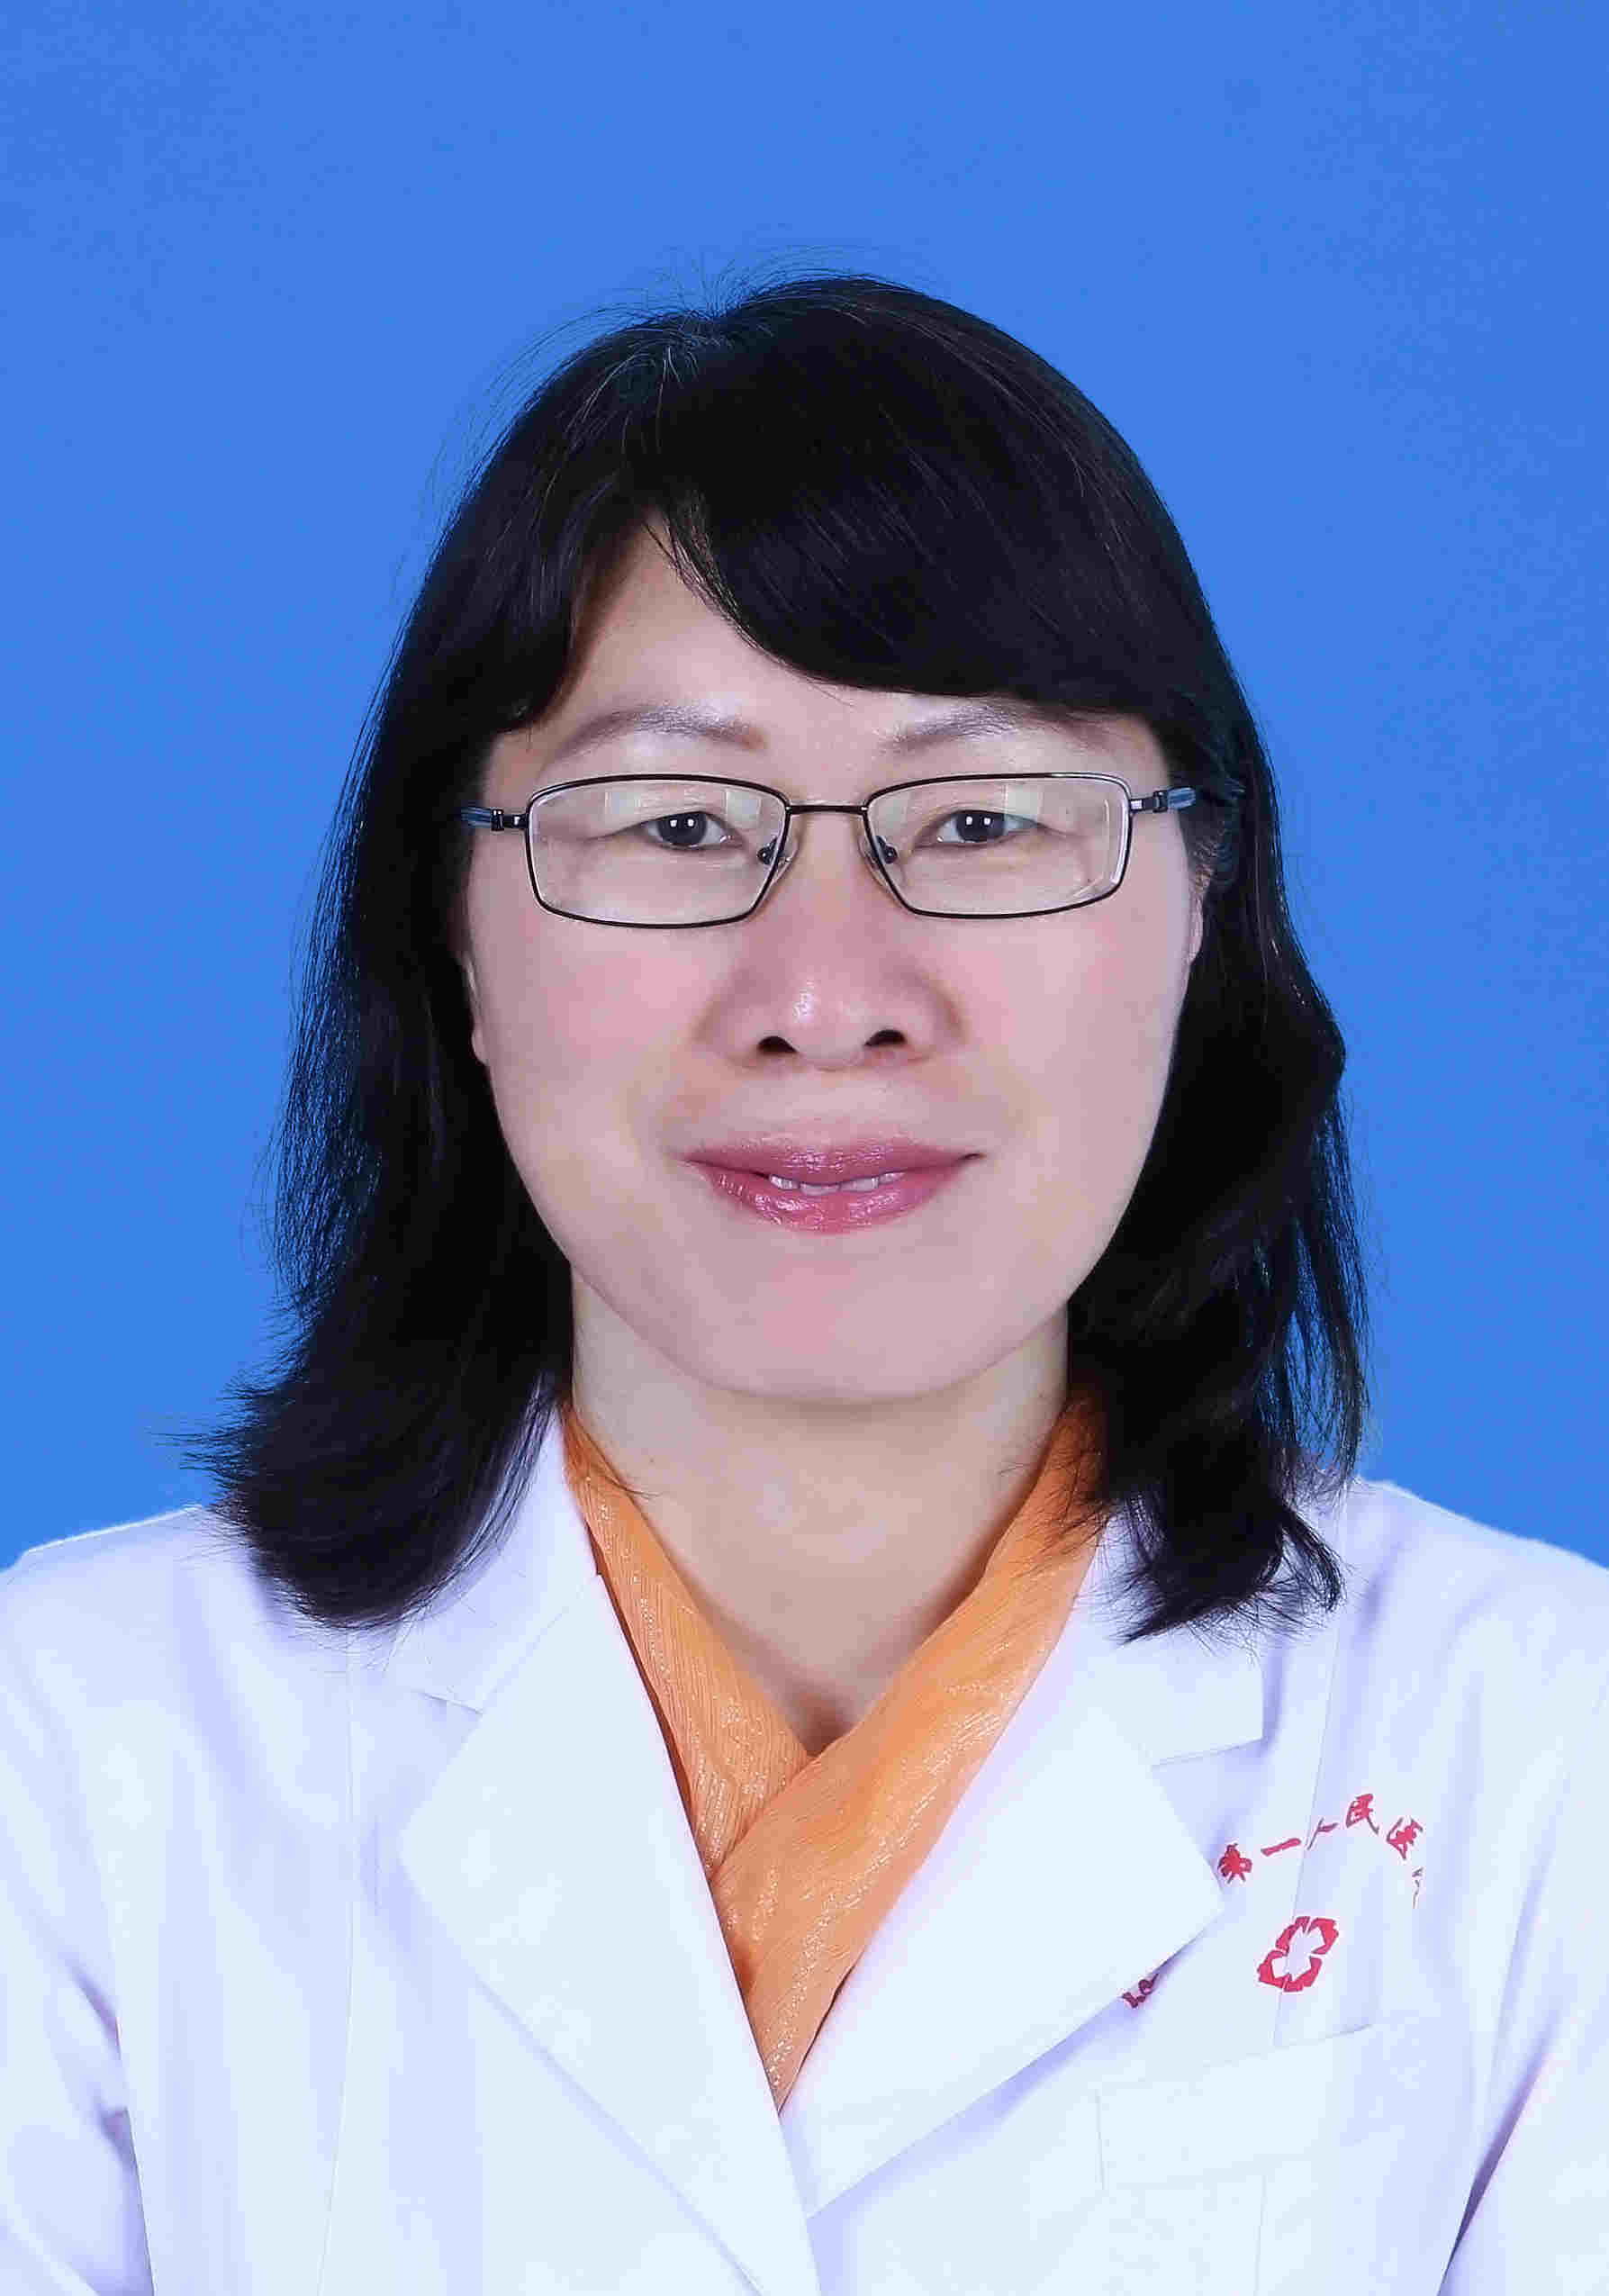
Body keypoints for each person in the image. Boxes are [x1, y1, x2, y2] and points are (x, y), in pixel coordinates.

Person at [2, 272, 1605, 2296]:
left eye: (984, 818)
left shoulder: (1543, 1754)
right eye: (678, 822)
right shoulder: (71, 1750)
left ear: (1204, 901)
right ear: (455, 933)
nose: (828, 995)